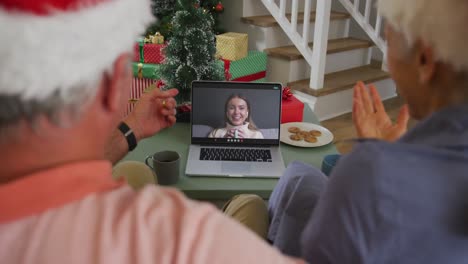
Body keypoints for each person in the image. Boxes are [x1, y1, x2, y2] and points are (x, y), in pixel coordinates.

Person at [0, 0, 304, 263]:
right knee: (251, 204)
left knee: (134, 170)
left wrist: (130, 129)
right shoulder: (186, 238)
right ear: (111, 83)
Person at [268, 0, 468, 263]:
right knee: (303, 175)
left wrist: (381, 164)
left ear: (424, 60)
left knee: (269, 194)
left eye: (388, 41)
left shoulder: (371, 174)